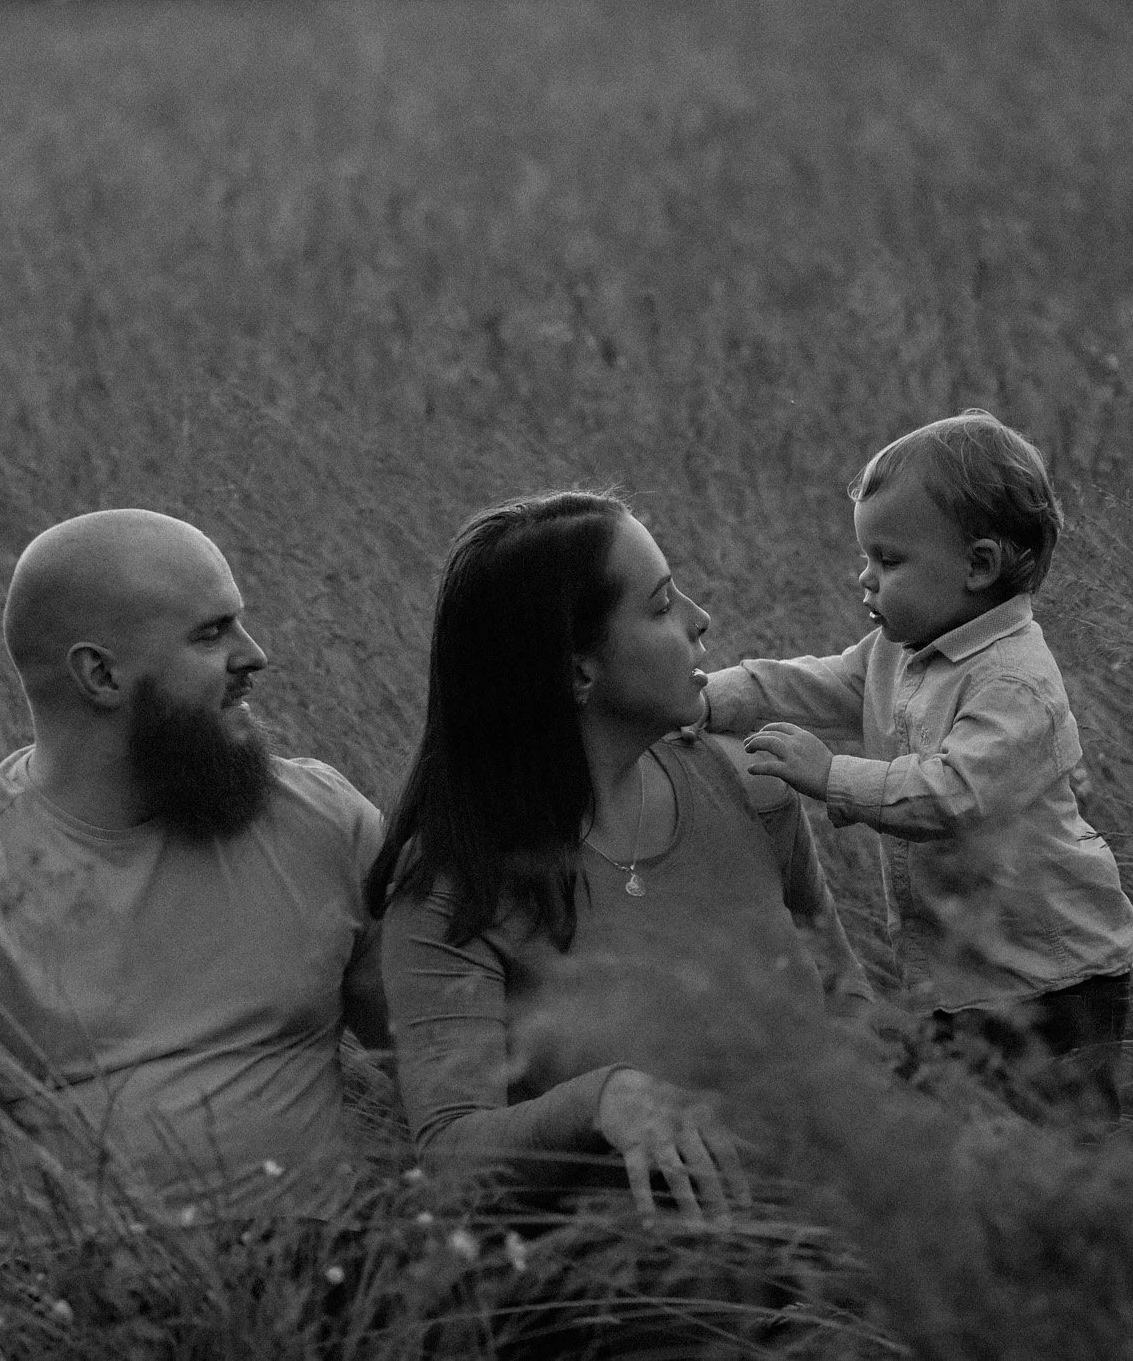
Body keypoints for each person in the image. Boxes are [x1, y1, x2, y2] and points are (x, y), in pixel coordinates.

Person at [0, 509, 389, 1358]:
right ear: (100, 674)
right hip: (83, 1315)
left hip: (331, 1298)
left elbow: (454, 1049)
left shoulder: (320, 822)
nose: (255, 654)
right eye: (212, 633)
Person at [369, 492, 869, 1221]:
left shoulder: (753, 788)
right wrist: (601, 1098)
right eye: (662, 606)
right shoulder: (454, 886)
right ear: (578, 672)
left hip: (833, 1249)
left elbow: (844, 995)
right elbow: (454, 1157)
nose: (701, 619)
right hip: (634, 1296)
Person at [705, 410, 1133, 1121]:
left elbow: (952, 793)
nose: (866, 578)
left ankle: (1093, 1230)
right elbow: (817, 681)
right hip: (965, 973)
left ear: (979, 565)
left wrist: (830, 774)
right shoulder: (902, 650)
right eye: (868, 557)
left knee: (1061, 1142)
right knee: (971, 1132)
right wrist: (709, 697)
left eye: (889, 560)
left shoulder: (1015, 683)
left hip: (1053, 977)